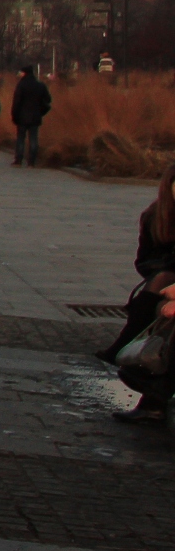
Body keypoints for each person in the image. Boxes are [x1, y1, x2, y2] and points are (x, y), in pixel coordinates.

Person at [98, 165, 175, 423]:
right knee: (163, 297)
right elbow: (143, 262)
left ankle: (128, 346)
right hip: (164, 286)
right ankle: (154, 400)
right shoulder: (155, 216)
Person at [11, 64, 53, 166]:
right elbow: (48, 99)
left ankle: (18, 160)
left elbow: (16, 102)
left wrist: (14, 115)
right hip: (35, 116)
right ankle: (31, 161)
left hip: (21, 116)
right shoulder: (40, 85)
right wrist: (40, 109)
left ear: (24, 73)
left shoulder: (21, 85)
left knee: (21, 138)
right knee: (33, 139)